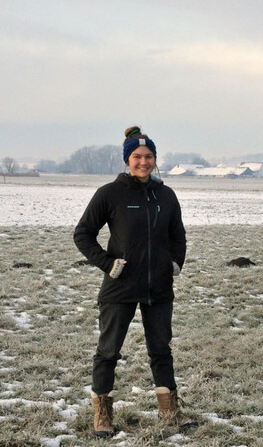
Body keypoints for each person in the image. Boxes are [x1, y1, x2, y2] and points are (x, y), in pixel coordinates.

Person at [74, 126, 197, 437]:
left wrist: (173, 264)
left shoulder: (166, 195)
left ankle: (170, 410)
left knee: (161, 349)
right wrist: (107, 264)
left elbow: (178, 236)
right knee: (108, 351)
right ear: (127, 159)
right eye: (137, 156)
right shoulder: (110, 194)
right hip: (120, 286)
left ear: (155, 160)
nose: (144, 162)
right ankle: (102, 412)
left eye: (149, 156)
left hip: (158, 288)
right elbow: (83, 234)